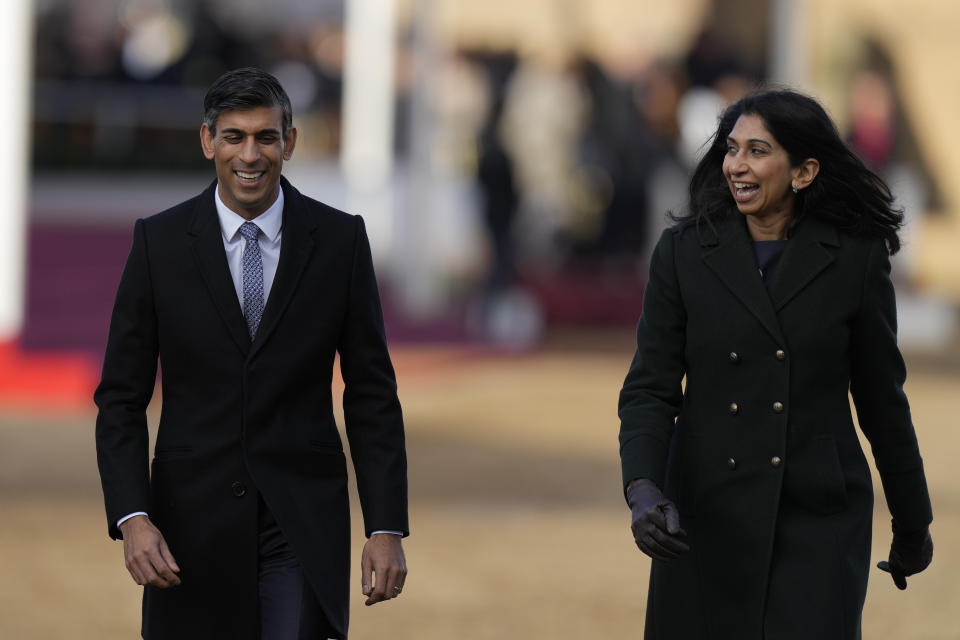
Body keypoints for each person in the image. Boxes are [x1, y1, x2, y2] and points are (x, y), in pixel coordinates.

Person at [95, 67, 408, 640]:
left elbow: (372, 395)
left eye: (266, 137)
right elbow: (120, 397)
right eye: (234, 136)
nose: (251, 154)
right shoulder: (157, 244)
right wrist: (132, 517)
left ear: (290, 142)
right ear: (207, 141)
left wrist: (386, 525)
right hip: (188, 529)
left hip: (301, 523)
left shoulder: (341, 241)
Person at [617, 88, 933, 639]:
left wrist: (913, 523)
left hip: (818, 521)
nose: (736, 165)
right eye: (732, 149)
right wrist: (643, 488)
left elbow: (883, 401)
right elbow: (651, 386)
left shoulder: (855, 258)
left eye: (758, 151)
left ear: (805, 171)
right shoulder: (683, 253)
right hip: (704, 517)